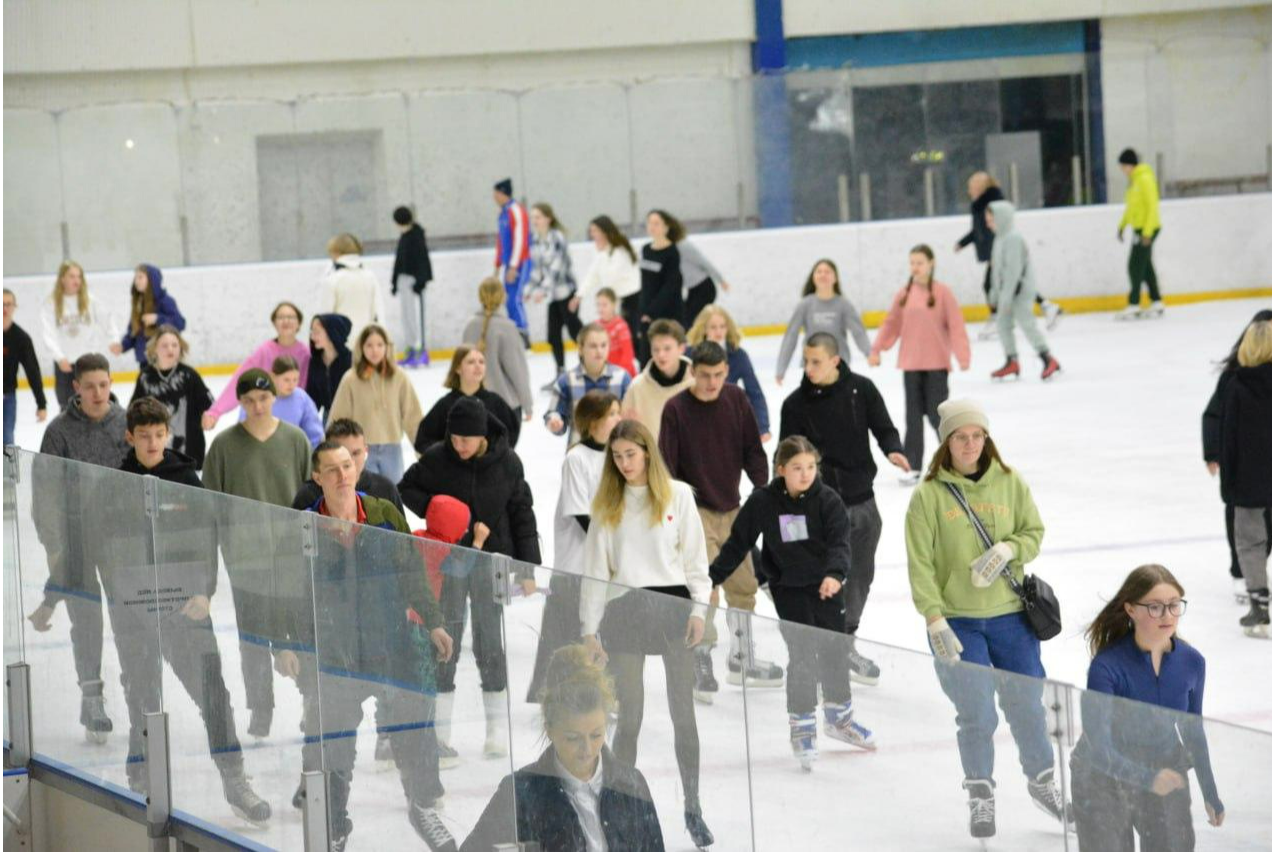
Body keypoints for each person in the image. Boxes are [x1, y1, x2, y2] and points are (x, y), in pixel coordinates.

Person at [904, 399, 1068, 840]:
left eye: (978, 436)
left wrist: (1010, 548)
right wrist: (934, 619)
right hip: (958, 621)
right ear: (947, 442)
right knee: (976, 712)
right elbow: (920, 565)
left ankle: (1042, 782)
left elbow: (1034, 532)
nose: (971, 444)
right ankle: (980, 791)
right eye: (961, 436)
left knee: (1027, 707)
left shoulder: (1010, 484)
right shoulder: (928, 496)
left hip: (1011, 618)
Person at [281, 441, 455, 852]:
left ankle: (423, 806)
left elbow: (413, 574)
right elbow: (287, 594)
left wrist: (434, 623)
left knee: (414, 725)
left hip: (389, 643)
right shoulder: (304, 527)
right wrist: (284, 646)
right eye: (333, 469)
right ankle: (334, 825)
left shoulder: (384, 515)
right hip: (336, 654)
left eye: (348, 466)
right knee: (333, 743)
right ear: (317, 478)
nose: (343, 475)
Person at [108, 397, 271, 824]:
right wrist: (119, 599)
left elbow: (206, 538)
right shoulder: (113, 481)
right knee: (142, 693)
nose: (151, 442)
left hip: (186, 609)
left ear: (168, 434)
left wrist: (204, 591)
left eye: (158, 434)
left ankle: (235, 778)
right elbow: (105, 545)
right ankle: (141, 774)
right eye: (143, 435)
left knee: (213, 694)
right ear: (130, 436)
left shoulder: (185, 480)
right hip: (134, 613)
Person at [579, 418, 714, 850]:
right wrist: (590, 628)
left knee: (683, 716)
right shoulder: (607, 505)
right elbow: (595, 573)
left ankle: (693, 807)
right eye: (616, 457)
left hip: (672, 607)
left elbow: (696, 563)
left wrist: (698, 612)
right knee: (630, 718)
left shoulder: (678, 496)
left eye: (630, 455)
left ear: (647, 452)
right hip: (626, 611)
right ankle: (620, 807)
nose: (623, 464)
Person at [710, 436, 876, 769]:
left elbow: (841, 545)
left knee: (834, 650)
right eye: (797, 468)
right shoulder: (763, 502)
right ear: (781, 469)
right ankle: (802, 727)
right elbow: (737, 544)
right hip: (789, 589)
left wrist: (834, 574)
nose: (805, 474)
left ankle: (839, 718)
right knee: (803, 655)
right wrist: (711, 579)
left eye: (811, 467)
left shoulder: (828, 501)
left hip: (828, 587)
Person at [400, 397, 540, 766]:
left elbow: (522, 512)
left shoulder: (508, 463)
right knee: (446, 638)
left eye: (466, 440)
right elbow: (407, 488)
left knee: (489, 641)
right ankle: (440, 732)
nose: (458, 446)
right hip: (449, 564)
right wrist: (441, 511)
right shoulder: (436, 457)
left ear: (482, 437)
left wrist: (527, 568)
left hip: (489, 563)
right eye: (454, 438)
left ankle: (496, 729)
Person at [780, 333, 909, 684]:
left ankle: (845, 642)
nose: (809, 368)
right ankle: (824, 650)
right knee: (822, 581)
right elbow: (786, 459)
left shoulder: (861, 390)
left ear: (835, 360)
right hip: (819, 508)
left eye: (816, 361)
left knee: (860, 578)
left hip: (862, 501)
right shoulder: (794, 405)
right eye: (805, 362)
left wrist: (893, 449)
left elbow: (883, 427)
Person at [1070, 564, 1224, 851]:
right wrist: (1148, 779)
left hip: (1163, 769)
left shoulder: (1193, 662)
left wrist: (1210, 792)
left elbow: (1192, 730)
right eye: (1155, 607)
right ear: (1131, 610)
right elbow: (1100, 746)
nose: (1167, 616)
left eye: (1174, 606)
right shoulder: (1106, 667)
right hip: (1102, 777)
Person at [660, 341, 781, 701]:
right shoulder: (676, 410)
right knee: (706, 589)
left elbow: (752, 452)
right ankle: (701, 658)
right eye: (704, 375)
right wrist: (676, 515)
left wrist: (764, 493)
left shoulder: (736, 401)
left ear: (726, 371)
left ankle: (741, 657)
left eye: (718, 375)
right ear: (692, 372)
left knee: (744, 586)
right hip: (694, 511)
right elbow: (666, 467)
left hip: (734, 509)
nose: (711, 382)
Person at [462, 645, 664, 852]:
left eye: (596, 735)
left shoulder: (631, 784)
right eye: (573, 738)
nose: (587, 749)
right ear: (550, 729)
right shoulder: (519, 794)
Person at [202, 368, 312, 739]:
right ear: (241, 402)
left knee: (300, 634)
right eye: (249, 400)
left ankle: (311, 704)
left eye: (263, 398)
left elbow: (310, 499)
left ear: (273, 398)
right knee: (253, 639)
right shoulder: (223, 446)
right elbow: (210, 506)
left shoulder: (296, 440)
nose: (257, 406)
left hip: (291, 558)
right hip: (245, 560)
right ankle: (260, 707)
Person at [28, 352, 128, 743]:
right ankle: (92, 699)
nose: (98, 392)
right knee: (87, 623)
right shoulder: (58, 431)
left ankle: (137, 692)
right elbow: (45, 493)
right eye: (90, 386)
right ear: (76, 388)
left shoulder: (125, 423)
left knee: (127, 621)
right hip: (77, 543)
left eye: (104, 384)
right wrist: (54, 546)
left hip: (121, 542)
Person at [527, 391, 623, 702]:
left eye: (618, 412)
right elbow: (583, 516)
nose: (617, 419)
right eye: (611, 414)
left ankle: (596, 695)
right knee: (563, 638)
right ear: (593, 421)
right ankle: (552, 695)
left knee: (598, 637)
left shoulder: (616, 457)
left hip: (603, 570)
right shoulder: (576, 458)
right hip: (575, 569)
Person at [868, 245, 972, 482]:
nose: (915, 267)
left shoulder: (943, 293)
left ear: (931, 263)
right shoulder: (904, 294)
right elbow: (891, 324)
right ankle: (913, 465)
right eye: (912, 263)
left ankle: (953, 461)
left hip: (936, 365)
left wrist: (962, 355)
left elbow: (956, 326)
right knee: (912, 418)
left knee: (939, 417)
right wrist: (877, 350)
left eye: (920, 262)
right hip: (911, 365)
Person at [1202, 309, 1272, 604]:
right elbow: (1215, 416)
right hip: (1244, 471)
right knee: (1244, 525)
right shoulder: (1234, 379)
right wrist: (1213, 452)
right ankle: (1241, 573)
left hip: (1253, 469)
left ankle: (1253, 580)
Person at [954, 172, 1061, 339]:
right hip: (994, 249)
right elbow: (978, 230)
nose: (969, 190)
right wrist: (963, 242)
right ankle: (1047, 306)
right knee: (1012, 283)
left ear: (981, 187)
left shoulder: (992, 205)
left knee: (991, 284)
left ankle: (997, 317)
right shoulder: (981, 205)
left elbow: (996, 229)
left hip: (999, 249)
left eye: (972, 187)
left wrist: (996, 253)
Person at [1220, 320, 1272, 636]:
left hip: (1249, 481)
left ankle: (1260, 606)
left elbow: (1229, 441)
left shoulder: (1237, 387)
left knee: (1251, 543)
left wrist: (1229, 487)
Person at [328, 323, 423, 484]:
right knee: (365, 496)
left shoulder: (399, 377)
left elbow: (413, 417)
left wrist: (422, 451)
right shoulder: (351, 379)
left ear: (387, 347)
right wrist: (331, 453)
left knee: (394, 496)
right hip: (360, 450)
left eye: (380, 345)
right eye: (369, 345)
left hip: (392, 449)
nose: (375, 350)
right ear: (361, 348)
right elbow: (338, 418)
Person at [202, 301, 311, 429]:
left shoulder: (305, 354)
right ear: (274, 322)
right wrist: (216, 411)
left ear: (299, 323)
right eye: (281, 317)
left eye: (291, 317)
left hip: (293, 419)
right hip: (260, 416)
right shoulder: (264, 351)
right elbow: (240, 381)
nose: (286, 321)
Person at [985, 201, 1061, 381]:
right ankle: (1011, 360)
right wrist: (995, 292)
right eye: (987, 220)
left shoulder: (1013, 238)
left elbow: (1013, 272)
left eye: (991, 219)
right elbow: (997, 270)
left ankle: (1048, 358)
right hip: (1006, 292)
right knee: (1003, 325)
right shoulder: (999, 238)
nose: (988, 223)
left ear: (1001, 219)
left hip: (1020, 292)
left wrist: (1005, 297)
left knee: (1027, 324)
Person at [775, 258, 871, 385]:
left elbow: (858, 332)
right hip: (812, 366)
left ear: (835, 278)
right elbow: (791, 336)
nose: (823, 275)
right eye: (819, 271)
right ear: (813, 277)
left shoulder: (844, 305)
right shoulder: (805, 305)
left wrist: (869, 353)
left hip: (838, 366)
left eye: (827, 272)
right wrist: (781, 369)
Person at [130, 325, 213, 468]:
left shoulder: (190, 375)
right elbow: (134, 412)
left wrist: (209, 416)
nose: (170, 349)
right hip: (155, 456)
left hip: (191, 455)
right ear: (155, 348)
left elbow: (209, 405)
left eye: (175, 345)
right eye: (165, 345)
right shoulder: (145, 377)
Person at [39, 261, 119, 409]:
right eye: (72, 276)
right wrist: (59, 357)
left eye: (79, 276)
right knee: (67, 406)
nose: (76, 280)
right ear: (62, 278)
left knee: (94, 403)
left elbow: (107, 319)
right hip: (65, 364)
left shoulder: (90, 300)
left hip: (89, 362)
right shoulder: (51, 303)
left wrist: (113, 339)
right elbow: (48, 333)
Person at [687, 303, 770, 442]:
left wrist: (762, 426)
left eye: (722, 326)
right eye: (713, 327)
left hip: (728, 418)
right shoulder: (690, 354)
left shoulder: (738, 355)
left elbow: (754, 392)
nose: (718, 332)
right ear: (704, 329)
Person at [292, 417, 404, 515]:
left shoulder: (386, 490)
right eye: (341, 454)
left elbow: (403, 537)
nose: (350, 461)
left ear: (366, 451)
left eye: (356, 453)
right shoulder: (308, 496)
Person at [417, 345, 520, 451]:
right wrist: (448, 457)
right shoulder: (445, 405)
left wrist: (492, 457)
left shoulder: (495, 402)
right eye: (471, 362)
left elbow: (510, 436)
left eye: (481, 362)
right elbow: (423, 440)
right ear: (457, 368)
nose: (478, 366)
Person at [461, 278, 533, 427]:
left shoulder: (469, 327)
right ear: (503, 297)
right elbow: (517, 371)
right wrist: (528, 404)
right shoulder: (508, 328)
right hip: (506, 408)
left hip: (474, 407)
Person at [545, 323, 632, 444]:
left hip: (614, 453)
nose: (599, 351)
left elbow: (631, 417)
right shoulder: (566, 381)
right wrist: (555, 422)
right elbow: (553, 413)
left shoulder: (622, 378)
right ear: (580, 349)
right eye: (593, 346)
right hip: (579, 451)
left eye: (603, 345)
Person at [527, 202, 582, 382]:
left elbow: (556, 270)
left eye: (538, 217)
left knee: (576, 333)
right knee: (553, 336)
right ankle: (560, 373)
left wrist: (542, 290)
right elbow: (536, 270)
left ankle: (589, 366)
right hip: (553, 296)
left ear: (548, 219)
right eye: (533, 217)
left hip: (567, 293)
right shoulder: (535, 240)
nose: (535, 221)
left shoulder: (557, 238)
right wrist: (530, 289)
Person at [575, 215, 641, 359]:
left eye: (594, 231)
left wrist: (604, 299)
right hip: (617, 301)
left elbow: (611, 278)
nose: (592, 235)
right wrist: (579, 295)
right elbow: (592, 275)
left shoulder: (620, 251)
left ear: (604, 231)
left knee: (632, 339)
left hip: (631, 300)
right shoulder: (604, 253)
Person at [622, 319, 692, 444]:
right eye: (656, 349)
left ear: (681, 348)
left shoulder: (697, 382)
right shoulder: (637, 387)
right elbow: (625, 430)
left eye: (667, 348)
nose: (661, 355)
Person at [1115, 148, 1165, 320]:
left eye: (1123, 166)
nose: (1122, 170)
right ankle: (1157, 301)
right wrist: (1122, 225)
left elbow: (1153, 206)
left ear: (1129, 164)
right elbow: (1131, 208)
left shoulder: (1145, 179)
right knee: (1145, 266)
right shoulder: (1134, 182)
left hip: (1147, 229)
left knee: (1134, 266)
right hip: (1139, 229)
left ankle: (1134, 303)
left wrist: (1147, 233)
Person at [239, 355, 323, 448]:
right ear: (273, 376)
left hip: (293, 454)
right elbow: (243, 427)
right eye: (286, 380)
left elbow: (315, 434)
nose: (292, 384)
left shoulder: (302, 398)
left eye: (295, 379)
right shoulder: (257, 396)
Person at [111, 263, 185, 366]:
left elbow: (180, 323)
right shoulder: (139, 305)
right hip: (144, 361)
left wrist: (158, 319)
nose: (136, 281)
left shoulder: (165, 301)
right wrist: (123, 346)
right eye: (135, 277)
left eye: (140, 277)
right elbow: (134, 332)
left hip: (164, 360)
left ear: (152, 280)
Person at [319, 233, 386, 345]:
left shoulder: (331, 279)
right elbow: (378, 312)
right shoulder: (370, 276)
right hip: (366, 342)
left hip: (341, 343)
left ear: (335, 253)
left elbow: (325, 317)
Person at [3, 287, 48, 446]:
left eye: (8, 304)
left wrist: (41, 404)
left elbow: (32, 371)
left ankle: (7, 472)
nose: (5, 308)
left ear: (15, 307)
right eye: (2, 304)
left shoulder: (20, 338)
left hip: (7, 397)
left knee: (7, 442)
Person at [638, 210, 684, 363]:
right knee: (645, 357)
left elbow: (670, 287)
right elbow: (645, 285)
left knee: (666, 356)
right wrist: (643, 311)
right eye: (649, 223)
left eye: (656, 223)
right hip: (647, 313)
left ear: (666, 227)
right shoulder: (645, 249)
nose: (652, 226)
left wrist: (651, 312)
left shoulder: (672, 252)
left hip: (668, 312)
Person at [391, 205, 434, 367]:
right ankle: (411, 349)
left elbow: (423, 260)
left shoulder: (416, 236)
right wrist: (394, 282)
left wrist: (421, 281)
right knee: (406, 317)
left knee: (415, 316)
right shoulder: (404, 236)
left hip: (414, 282)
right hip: (403, 280)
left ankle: (421, 351)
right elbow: (399, 261)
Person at [492, 178, 532, 339]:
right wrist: (498, 265)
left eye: (495, 194)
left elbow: (520, 239)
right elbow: (501, 241)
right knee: (508, 299)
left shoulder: (516, 210)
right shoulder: (503, 214)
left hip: (520, 262)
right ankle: (515, 333)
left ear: (502, 193)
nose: (494, 198)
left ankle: (523, 334)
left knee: (514, 299)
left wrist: (514, 266)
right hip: (509, 263)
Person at [674, 229, 731, 330]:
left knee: (688, 319)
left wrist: (721, 280)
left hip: (705, 288)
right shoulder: (668, 251)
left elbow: (704, 262)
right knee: (685, 318)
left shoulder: (684, 246)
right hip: (693, 290)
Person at [306, 313, 353, 424]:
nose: (312, 337)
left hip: (353, 418)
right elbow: (312, 400)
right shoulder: (315, 362)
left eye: (317, 332)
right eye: (311, 332)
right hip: (328, 420)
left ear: (333, 333)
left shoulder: (353, 361)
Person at [596, 287, 637, 377]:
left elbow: (628, 354)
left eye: (604, 305)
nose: (600, 309)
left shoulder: (621, 326)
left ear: (614, 304)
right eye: (598, 305)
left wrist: (618, 375)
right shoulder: (595, 327)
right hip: (604, 375)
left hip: (623, 375)